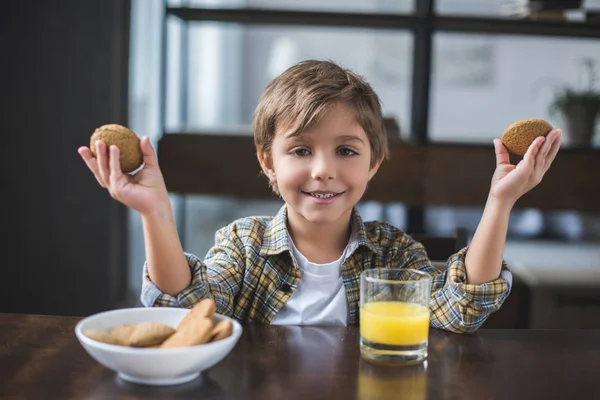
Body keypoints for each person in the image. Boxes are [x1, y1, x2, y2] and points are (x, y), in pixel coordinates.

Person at [78, 60, 562, 333]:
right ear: (268, 161)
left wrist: (500, 202)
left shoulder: (394, 252)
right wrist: (156, 212)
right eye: (302, 149)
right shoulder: (242, 245)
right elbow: (186, 315)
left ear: (373, 163)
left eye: (346, 150)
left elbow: (457, 311)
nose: (324, 170)